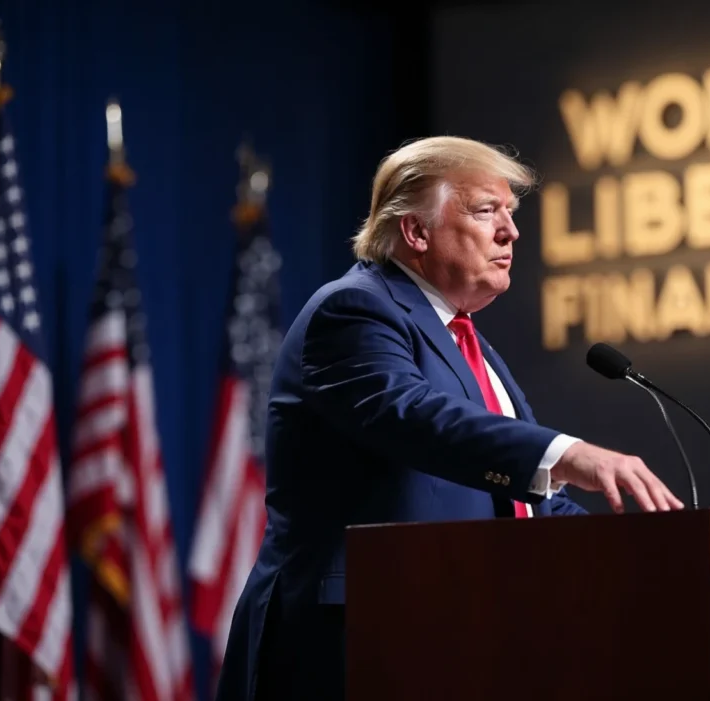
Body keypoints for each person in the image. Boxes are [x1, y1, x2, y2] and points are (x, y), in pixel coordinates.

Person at [215, 136, 684, 701]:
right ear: (415, 231)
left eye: (510, 213)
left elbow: (522, 501)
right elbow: (412, 415)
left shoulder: (470, 345)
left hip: (460, 634)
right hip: (353, 640)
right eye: (487, 211)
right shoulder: (353, 311)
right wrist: (565, 452)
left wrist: (650, 553)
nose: (510, 231)